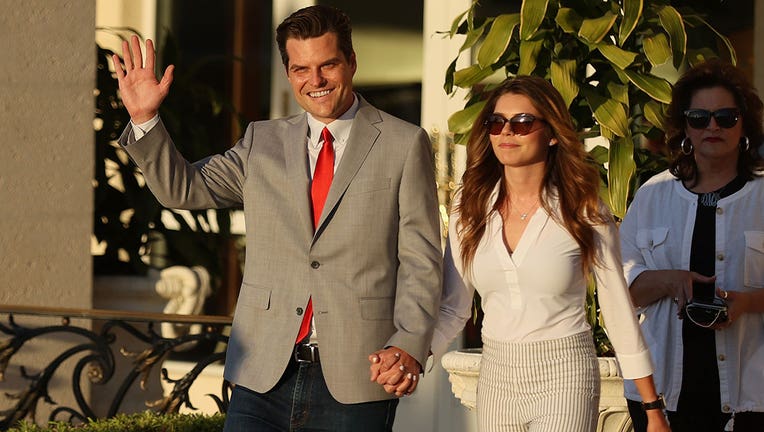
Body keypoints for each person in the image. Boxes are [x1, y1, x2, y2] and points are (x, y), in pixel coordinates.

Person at [111, 5, 442, 431]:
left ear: (352, 62)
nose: (316, 80)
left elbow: (422, 259)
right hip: (262, 373)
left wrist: (409, 342)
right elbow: (183, 189)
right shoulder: (261, 141)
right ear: (288, 73)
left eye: (328, 65)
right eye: (301, 68)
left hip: (358, 375)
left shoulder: (403, 142)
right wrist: (145, 119)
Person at [428, 76, 670, 432]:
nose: (506, 132)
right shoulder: (471, 203)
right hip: (496, 375)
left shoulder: (583, 208)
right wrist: (411, 356)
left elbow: (617, 308)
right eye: (496, 122)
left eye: (522, 123)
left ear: (552, 133)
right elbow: (453, 306)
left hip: (565, 373)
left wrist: (651, 407)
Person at [620, 59, 764, 432]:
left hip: (751, 396)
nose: (712, 126)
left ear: (744, 124)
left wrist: (748, 303)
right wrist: (672, 281)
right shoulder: (653, 194)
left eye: (726, 117)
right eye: (699, 117)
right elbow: (622, 290)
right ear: (685, 127)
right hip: (666, 397)